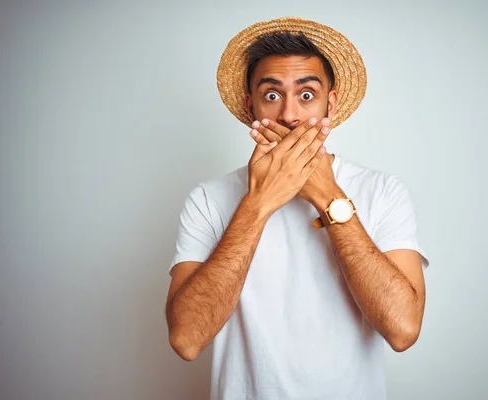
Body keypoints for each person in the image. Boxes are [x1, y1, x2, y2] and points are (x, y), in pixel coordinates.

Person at [165, 16, 429, 399]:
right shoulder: (208, 199)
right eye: (272, 95)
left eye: (307, 95)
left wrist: (328, 196)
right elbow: (186, 339)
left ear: (330, 105)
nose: (289, 115)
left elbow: (403, 330)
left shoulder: (383, 191)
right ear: (250, 105)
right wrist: (258, 203)